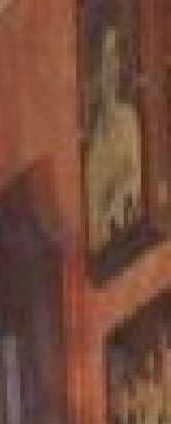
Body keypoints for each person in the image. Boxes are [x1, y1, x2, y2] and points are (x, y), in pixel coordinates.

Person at [84, 12, 143, 260]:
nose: (111, 67)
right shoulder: (89, 147)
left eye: (115, 55)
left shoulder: (129, 121)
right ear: (94, 70)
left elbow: (134, 195)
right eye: (104, 58)